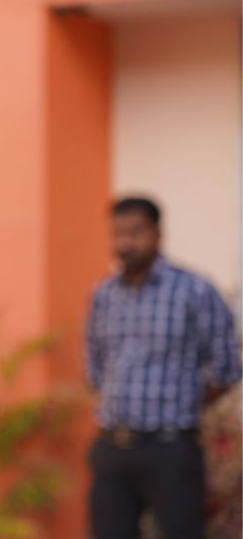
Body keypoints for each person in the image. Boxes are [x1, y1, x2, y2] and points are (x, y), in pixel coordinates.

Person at [85, 196, 241, 539]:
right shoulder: (104, 294)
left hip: (171, 449)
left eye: (136, 232)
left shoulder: (195, 290)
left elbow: (226, 368)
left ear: (158, 233)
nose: (126, 243)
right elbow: (95, 368)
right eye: (118, 233)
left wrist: (183, 405)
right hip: (112, 447)